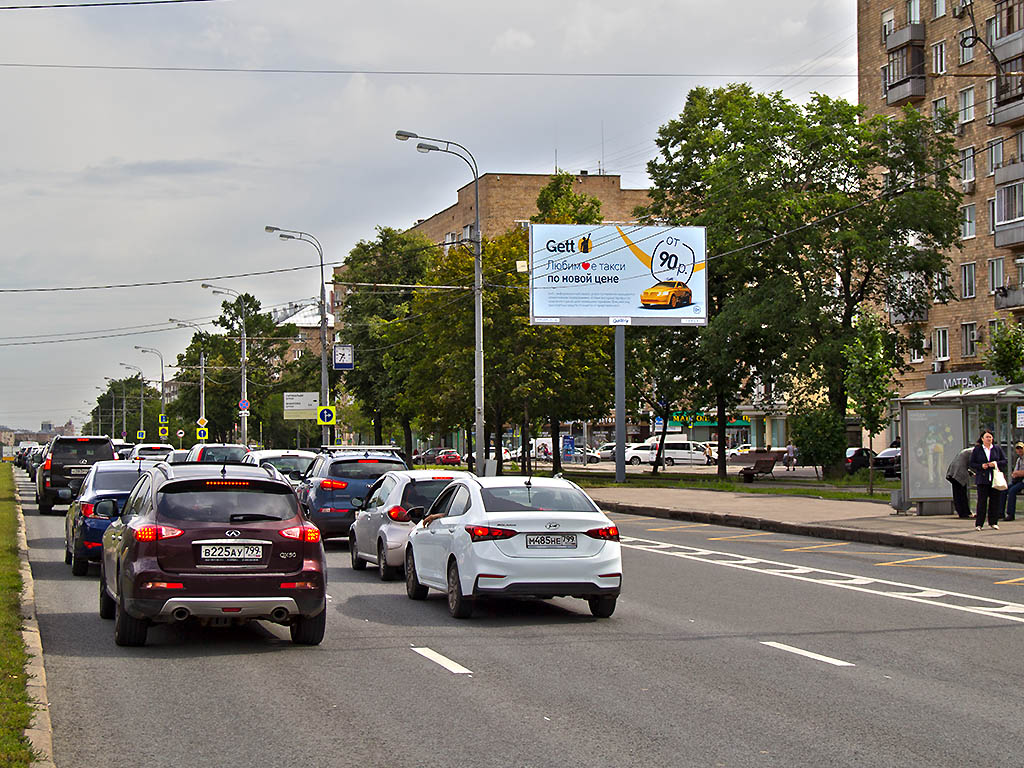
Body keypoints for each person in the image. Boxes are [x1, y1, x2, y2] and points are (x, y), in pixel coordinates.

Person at [970, 429, 1007, 530]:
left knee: (995, 501)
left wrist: (995, 464)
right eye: (987, 437)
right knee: (982, 502)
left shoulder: (997, 449)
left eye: (990, 437)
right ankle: (979, 524)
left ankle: (993, 522)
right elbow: (972, 463)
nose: (989, 439)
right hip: (982, 479)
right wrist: (981, 466)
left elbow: (1004, 461)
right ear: (982, 439)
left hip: (994, 478)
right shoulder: (977, 450)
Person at [945, 447, 974, 519]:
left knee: (958, 494)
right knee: (961, 494)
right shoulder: (973, 451)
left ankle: (964, 512)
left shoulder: (967, 451)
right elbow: (973, 464)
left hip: (953, 472)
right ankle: (964, 513)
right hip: (958, 474)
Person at [1004, 442, 1024, 522]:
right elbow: (1015, 472)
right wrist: (1016, 474)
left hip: (1023, 481)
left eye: (1021, 448)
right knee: (1004, 489)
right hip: (1018, 480)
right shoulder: (1019, 459)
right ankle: (1000, 512)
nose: (1019, 450)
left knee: (1012, 491)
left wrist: (1019, 473)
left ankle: (1010, 514)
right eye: (1017, 448)